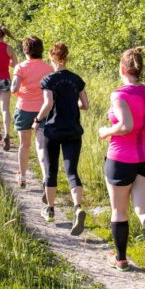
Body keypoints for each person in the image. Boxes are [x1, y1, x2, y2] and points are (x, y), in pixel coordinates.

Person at [97, 47, 145, 281]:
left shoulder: (118, 94)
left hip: (121, 158)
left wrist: (106, 132)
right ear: (140, 70)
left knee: (119, 211)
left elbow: (126, 124)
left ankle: (120, 260)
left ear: (122, 68)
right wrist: (141, 126)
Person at [32, 42, 88, 236]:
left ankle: (50, 209)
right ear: (66, 57)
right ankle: (78, 207)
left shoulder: (48, 79)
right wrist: (70, 103)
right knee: (72, 171)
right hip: (73, 130)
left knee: (51, 170)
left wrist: (37, 119)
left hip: (53, 130)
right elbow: (85, 104)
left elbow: (48, 104)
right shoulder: (76, 79)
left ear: (53, 57)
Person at [11, 36, 53, 189]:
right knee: (41, 146)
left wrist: (15, 90)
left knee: (24, 145)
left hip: (24, 109)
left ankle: (22, 177)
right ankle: (45, 179)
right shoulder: (48, 68)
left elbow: (14, 88)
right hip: (43, 111)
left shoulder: (20, 67)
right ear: (41, 49)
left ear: (25, 50)